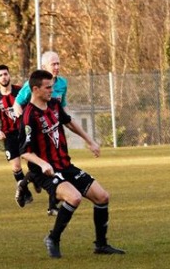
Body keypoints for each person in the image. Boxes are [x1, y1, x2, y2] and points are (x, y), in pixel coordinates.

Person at [19, 69, 124, 258]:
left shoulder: (54, 104)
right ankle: (53, 238)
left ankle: (101, 245)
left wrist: (89, 141)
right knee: (74, 198)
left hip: (65, 165)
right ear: (35, 89)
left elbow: (68, 122)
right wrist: (43, 164)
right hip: (45, 173)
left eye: (52, 87)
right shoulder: (29, 116)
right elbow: (25, 151)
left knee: (102, 197)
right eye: (47, 87)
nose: (52, 90)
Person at [14, 51, 67, 215]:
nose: (57, 67)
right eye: (53, 64)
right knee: (45, 164)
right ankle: (50, 204)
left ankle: (28, 186)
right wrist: (25, 124)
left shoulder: (62, 83)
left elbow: (62, 106)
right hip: (37, 131)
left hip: (53, 129)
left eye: (58, 63)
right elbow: (17, 104)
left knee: (55, 164)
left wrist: (63, 123)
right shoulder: (33, 83)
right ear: (44, 66)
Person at [0, 64, 33, 207]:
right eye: (0, 75)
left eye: (5, 74)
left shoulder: (21, 91)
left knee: (32, 162)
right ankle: (25, 192)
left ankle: (35, 180)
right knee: (16, 166)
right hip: (9, 135)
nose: (4, 77)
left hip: (24, 132)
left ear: (9, 75)